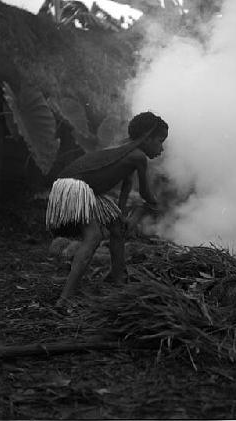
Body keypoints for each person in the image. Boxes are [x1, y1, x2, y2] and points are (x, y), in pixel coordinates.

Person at [46, 111, 168, 307]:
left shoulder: (125, 148)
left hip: (84, 188)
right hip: (75, 186)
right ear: (147, 137)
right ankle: (65, 299)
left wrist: (119, 214)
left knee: (117, 229)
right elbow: (146, 194)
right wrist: (156, 205)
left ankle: (118, 277)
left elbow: (127, 184)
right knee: (93, 237)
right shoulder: (138, 156)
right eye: (160, 141)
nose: (161, 148)